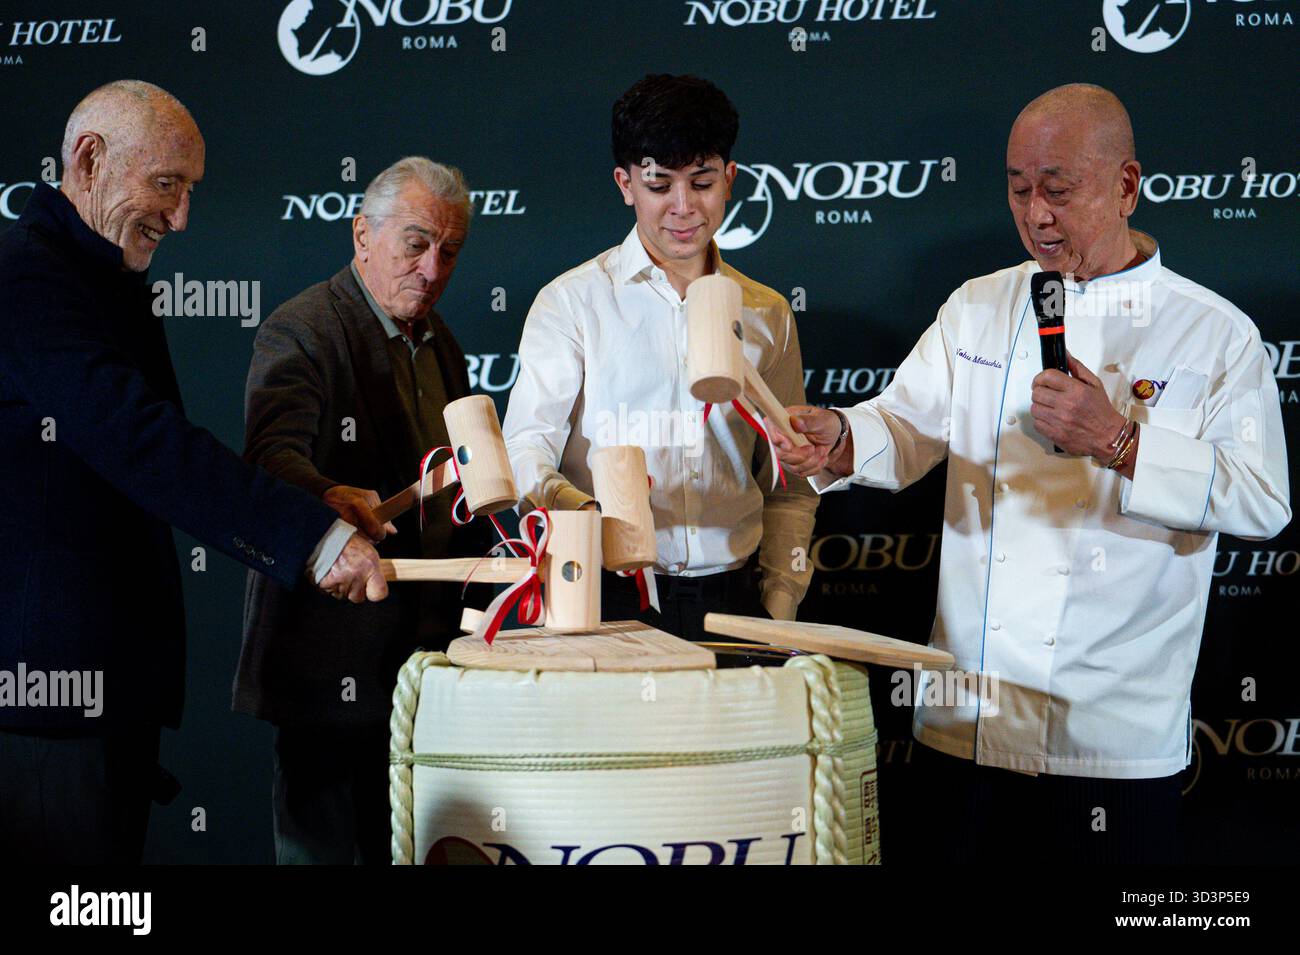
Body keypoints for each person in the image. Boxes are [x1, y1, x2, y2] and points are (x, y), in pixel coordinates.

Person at [774, 83, 1291, 863]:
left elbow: (1264, 499)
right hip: (966, 723)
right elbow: (907, 424)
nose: (1036, 215)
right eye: (1019, 191)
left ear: (1125, 185)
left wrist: (1119, 440)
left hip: (1114, 741)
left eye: (1058, 189)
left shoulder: (1215, 334)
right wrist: (840, 438)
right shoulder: (980, 306)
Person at [0, 80, 387, 864]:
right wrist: (313, 539)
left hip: (99, 698)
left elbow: (158, 442)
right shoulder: (25, 277)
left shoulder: (97, 277)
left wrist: (312, 496)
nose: (181, 218)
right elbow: (139, 443)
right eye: (167, 184)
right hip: (46, 706)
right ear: (88, 159)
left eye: (189, 192)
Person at [236, 157, 489, 864]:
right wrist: (324, 496)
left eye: (450, 251)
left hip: (419, 670)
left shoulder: (444, 345)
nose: (433, 268)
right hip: (324, 668)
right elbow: (269, 460)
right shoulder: (303, 328)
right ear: (361, 235)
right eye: (415, 243)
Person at [502, 74, 818, 639]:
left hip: (734, 600)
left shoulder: (768, 312)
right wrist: (579, 512)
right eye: (658, 184)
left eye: (700, 182)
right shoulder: (572, 302)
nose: (682, 207)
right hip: (605, 596)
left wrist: (780, 601)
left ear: (729, 180)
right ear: (626, 184)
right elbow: (526, 449)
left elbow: (789, 481)